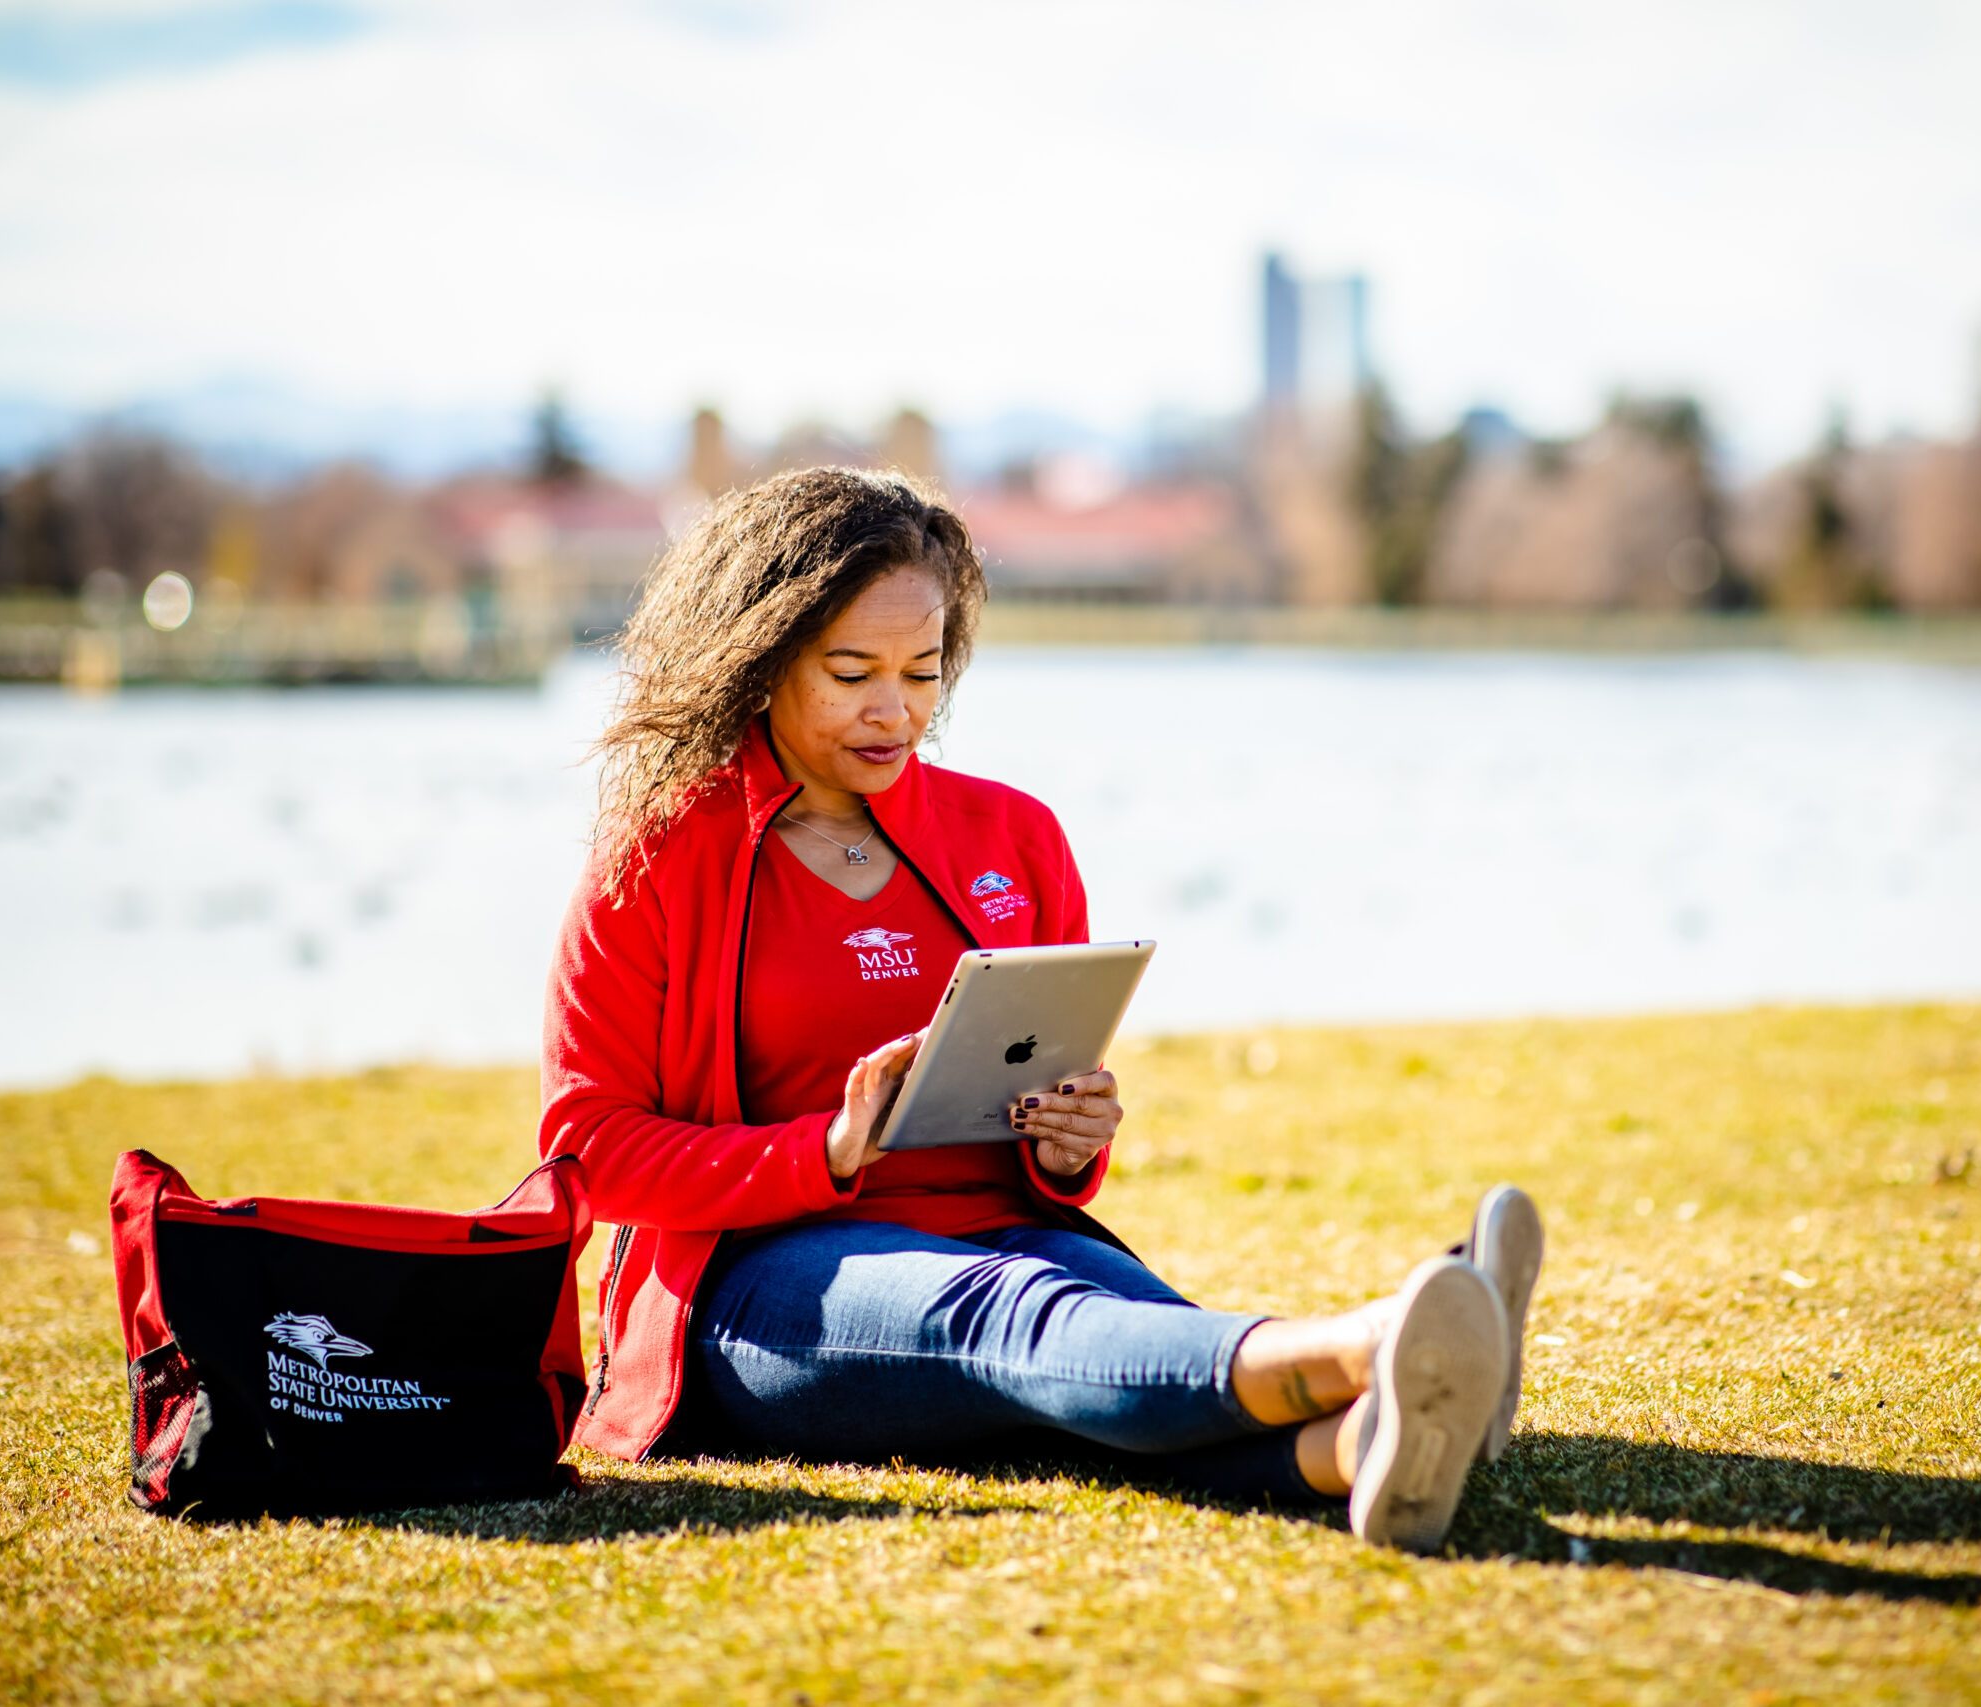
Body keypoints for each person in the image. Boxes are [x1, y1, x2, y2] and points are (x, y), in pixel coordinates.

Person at [538, 466, 1543, 1552]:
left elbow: (1039, 1086)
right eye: (851, 673)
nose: (897, 711)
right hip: (755, 1285)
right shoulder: (657, 858)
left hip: (1014, 1230)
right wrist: (822, 1150)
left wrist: (1068, 1146)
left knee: (1131, 1334)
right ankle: (1379, 1343)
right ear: (763, 657)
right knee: (1015, 1325)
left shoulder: (1011, 839)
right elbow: (586, 1149)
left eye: (923, 673)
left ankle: (1355, 1449)